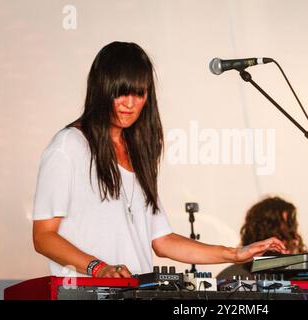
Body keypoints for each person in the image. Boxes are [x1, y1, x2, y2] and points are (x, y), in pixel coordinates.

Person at [32, 41, 285, 278]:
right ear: (101, 90)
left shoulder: (137, 152)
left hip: (136, 290)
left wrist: (235, 253)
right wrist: (98, 268)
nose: (129, 104)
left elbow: (162, 241)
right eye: (121, 93)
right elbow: (43, 236)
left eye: (139, 94)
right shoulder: (69, 146)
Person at [217, 196, 307, 280]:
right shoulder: (233, 276)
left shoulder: (305, 272)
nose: (294, 239)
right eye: (284, 235)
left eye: (293, 230)